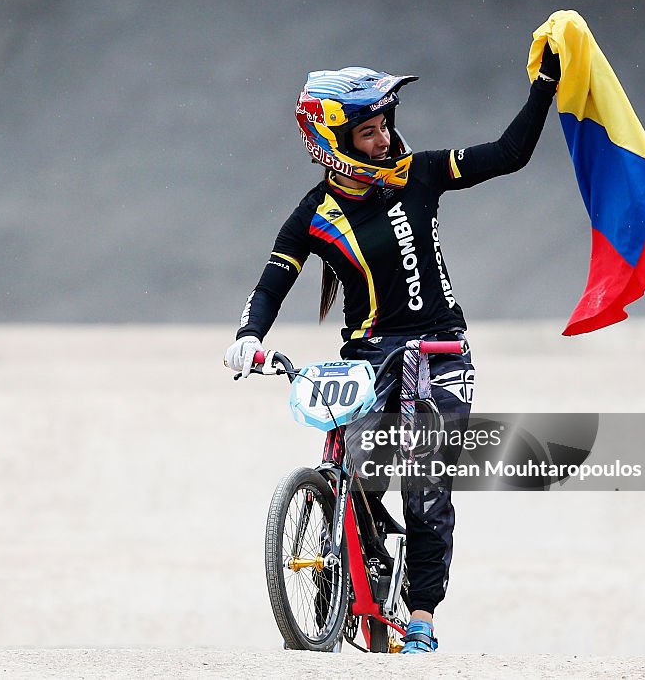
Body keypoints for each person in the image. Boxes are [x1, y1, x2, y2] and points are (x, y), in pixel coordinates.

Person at [224, 48, 561, 653]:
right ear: (333, 142)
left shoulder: (421, 172)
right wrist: (249, 336)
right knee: (357, 477)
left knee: (426, 485)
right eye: (369, 131)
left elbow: (509, 155)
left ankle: (424, 614)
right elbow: (272, 281)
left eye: (385, 126)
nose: (384, 140)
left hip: (441, 352)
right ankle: (352, 592)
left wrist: (543, 89)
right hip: (367, 358)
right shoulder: (315, 213)